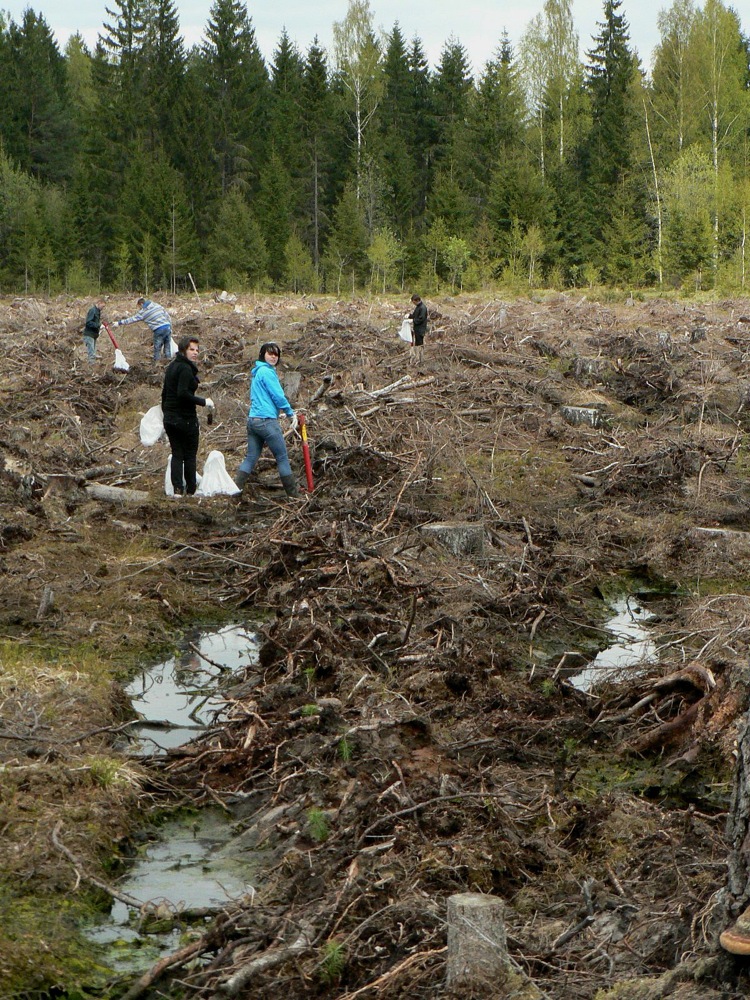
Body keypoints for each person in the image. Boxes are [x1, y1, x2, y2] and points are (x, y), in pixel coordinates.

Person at [234, 342, 300, 498]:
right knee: (282, 457)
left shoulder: (257, 372)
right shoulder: (267, 372)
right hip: (267, 421)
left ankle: (235, 491)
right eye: (270, 353)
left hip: (253, 421)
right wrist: (290, 413)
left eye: (276, 354)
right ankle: (294, 496)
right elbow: (278, 396)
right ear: (262, 355)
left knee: (251, 457)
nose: (273, 357)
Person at [161, 336, 214, 496]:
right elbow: (182, 393)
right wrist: (204, 402)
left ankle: (177, 490)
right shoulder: (184, 368)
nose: (195, 352)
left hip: (170, 418)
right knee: (189, 455)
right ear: (183, 350)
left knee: (177, 454)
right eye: (192, 349)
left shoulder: (172, 366)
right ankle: (191, 489)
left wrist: (166, 413)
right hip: (184, 418)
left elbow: (165, 393)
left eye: (197, 350)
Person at [114, 297, 173, 362]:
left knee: (157, 348)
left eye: (139, 307)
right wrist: (170, 326)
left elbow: (132, 319)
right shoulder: (157, 305)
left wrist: (119, 323)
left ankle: (157, 362)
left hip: (158, 329)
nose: (139, 308)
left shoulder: (143, 312)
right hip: (167, 327)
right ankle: (169, 361)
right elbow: (167, 316)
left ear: (141, 304)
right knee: (167, 346)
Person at [83, 299, 105, 364]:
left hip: (93, 335)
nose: (103, 308)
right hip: (89, 334)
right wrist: (99, 326)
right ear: (99, 303)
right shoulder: (93, 310)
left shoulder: (97, 311)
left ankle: (93, 365)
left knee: (93, 352)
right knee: (91, 354)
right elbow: (88, 322)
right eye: (102, 306)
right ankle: (91, 366)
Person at [408, 294, 428, 366]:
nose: (413, 303)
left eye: (413, 302)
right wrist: (409, 316)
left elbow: (421, 318)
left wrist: (413, 321)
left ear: (417, 300)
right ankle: (417, 358)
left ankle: (421, 359)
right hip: (417, 329)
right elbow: (415, 315)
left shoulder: (423, 308)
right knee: (417, 343)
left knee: (420, 344)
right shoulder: (418, 307)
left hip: (420, 329)